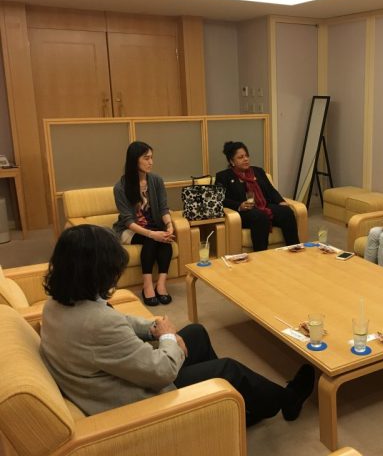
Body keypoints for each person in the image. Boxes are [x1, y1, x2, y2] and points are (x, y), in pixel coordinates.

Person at [39, 224, 315, 425]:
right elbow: (162, 371)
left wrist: (153, 328)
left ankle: (222, 405)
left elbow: (116, 320)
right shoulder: (97, 324)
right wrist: (169, 339)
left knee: (196, 332)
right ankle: (286, 401)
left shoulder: (56, 304)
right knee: (227, 368)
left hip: (117, 377)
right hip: (139, 399)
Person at [113, 141, 174, 306]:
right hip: (129, 230)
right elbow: (128, 221)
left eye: (152, 158)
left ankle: (161, 285)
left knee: (165, 239)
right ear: (134, 160)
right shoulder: (120, 187)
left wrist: (169, 225)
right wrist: (152, 234)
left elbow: (163, 208)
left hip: (153, 225)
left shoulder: (156, 180)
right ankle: (147, 286)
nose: (151, 162)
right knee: (151, 239)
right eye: (146, 158)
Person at [215, 141, 299, 251]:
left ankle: (295, 249)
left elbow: (271, 190)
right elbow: (220, 199)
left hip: (263, 205)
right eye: (240, 157)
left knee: (286, 212)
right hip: (243, 213)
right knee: (260, 216)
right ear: (232, 161)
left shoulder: (258, 171)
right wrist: (239, 205)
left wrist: (280, 201)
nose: (245, 159)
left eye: (246, 156)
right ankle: (261, 254)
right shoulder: (223, 176)